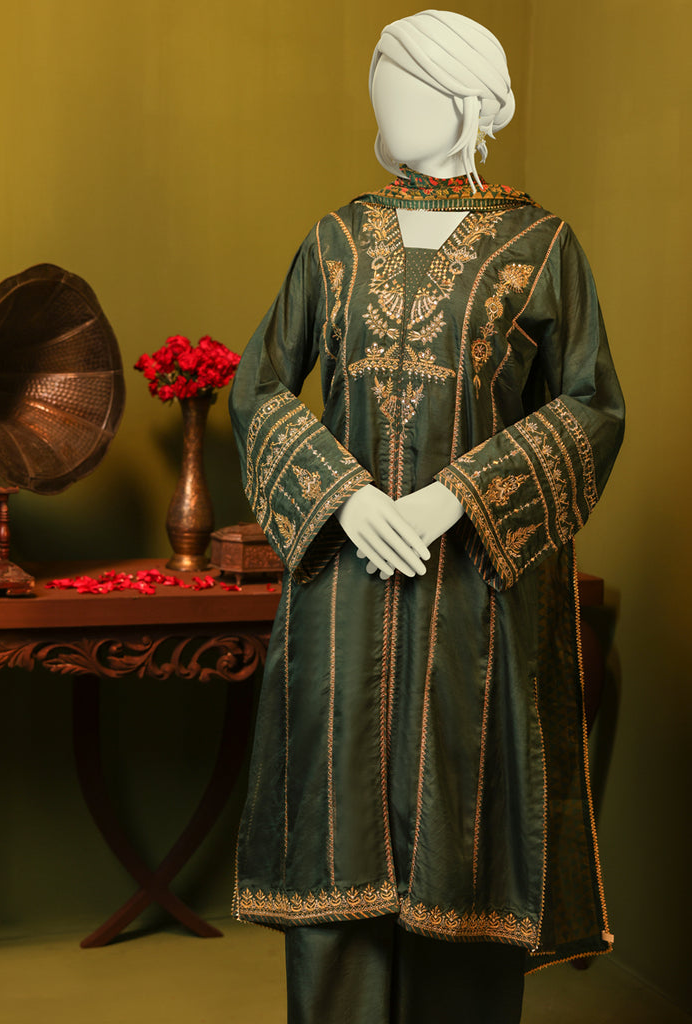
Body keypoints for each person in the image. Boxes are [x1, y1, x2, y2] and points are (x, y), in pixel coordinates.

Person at [228, 10, 624, 1023]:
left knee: (466, 820)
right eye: (381, 84)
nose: (388, 105)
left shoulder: (541, 247)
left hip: (473, 599)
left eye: (409, 84)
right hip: (343, 588)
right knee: (338, 825)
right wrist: (346, 495)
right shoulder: (333, 242)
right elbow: (259, 387)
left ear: (468, 101)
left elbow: (590, 405)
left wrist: (457, 495)